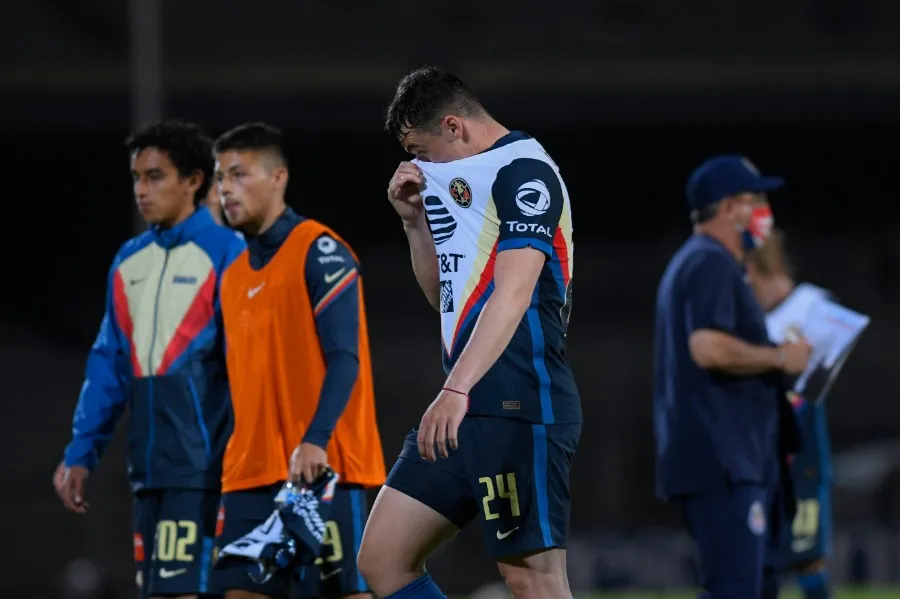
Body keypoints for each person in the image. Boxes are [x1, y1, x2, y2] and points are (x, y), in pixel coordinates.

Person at [357, 66, 580, 599]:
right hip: (465, 406)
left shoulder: (525, 172)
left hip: (520, 399)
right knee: (384, 560)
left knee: (531, 579)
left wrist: (455, 387)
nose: (419, 165)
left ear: (454, 126)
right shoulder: (468, 182)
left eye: (422, 150)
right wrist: (414, 224)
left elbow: (514, 292)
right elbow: (448, 300)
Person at [52, 120, 246, 599]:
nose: (141, 190)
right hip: (149, 472)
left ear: (194, 180)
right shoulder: (128, 261)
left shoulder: (229, 254)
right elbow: (109, 364)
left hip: (207, 471)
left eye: (155, 176)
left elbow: (255, 365)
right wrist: (82, 451)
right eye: (137, 177)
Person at [211, 122, 385, 599]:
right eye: (220, 176)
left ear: (278, 177)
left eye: (239, 174)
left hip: (319, 468)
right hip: (249, 475)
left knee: (344, 593)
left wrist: (315, 439)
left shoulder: (320, 250)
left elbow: (345, 359)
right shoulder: (231, 276)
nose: (225, 187)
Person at [653, 155, 812, 599]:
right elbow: (706, 347)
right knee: (735, 590)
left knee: (755, 588)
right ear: (727, 207)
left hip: (733, 459)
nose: (763, 210)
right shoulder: (710, 262)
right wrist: (781, 357)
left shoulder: (702, 263)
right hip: (725, 461)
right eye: (754, 198)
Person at [747, 229, 835, 599]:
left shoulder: (812, 304)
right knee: (762, 553)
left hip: (801, 444)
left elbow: (825, 373)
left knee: (807, 551)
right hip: (758, 444)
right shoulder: (746, 314)